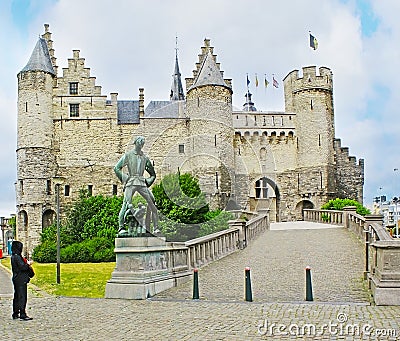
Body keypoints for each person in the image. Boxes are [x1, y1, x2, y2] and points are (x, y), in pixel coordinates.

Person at [114, 136, 159, 234]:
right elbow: (116, 168)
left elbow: (153, 174)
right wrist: (125, 179)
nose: (141, 145)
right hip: (131, 182)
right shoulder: (128, 155)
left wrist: (148, 181)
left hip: (141, 182)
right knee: (126, 204)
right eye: (139, 143)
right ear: (135, 143)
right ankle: (121, 227)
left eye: (142, 144)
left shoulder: (145, 158)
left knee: (152, 202)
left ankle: (154, 228)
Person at [11, 240, 33, 320]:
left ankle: (15, 312)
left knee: (17, 296)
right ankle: (22, 313)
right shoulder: (17, 257)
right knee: (22, 296)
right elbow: (23, 267)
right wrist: (28, 264)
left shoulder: (14, 256)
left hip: (16, 278)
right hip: (21, 278)